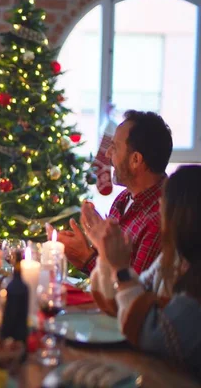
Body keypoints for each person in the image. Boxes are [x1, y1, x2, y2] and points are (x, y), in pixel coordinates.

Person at [82, 165, 201, 380]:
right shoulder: (172, 260)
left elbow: (151, 334)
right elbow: (120, 304)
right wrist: (106, 254)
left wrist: (121, 269)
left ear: (184, 215)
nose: (160, 204)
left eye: (166, 200)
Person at [46, 110, 172, 275]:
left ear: (136, 160)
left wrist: (86, 257)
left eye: (115, 147)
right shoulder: (124, 198)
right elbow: (110, 266)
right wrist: (86, 247)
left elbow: (134, 293)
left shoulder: (160, 218)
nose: (107, 153)